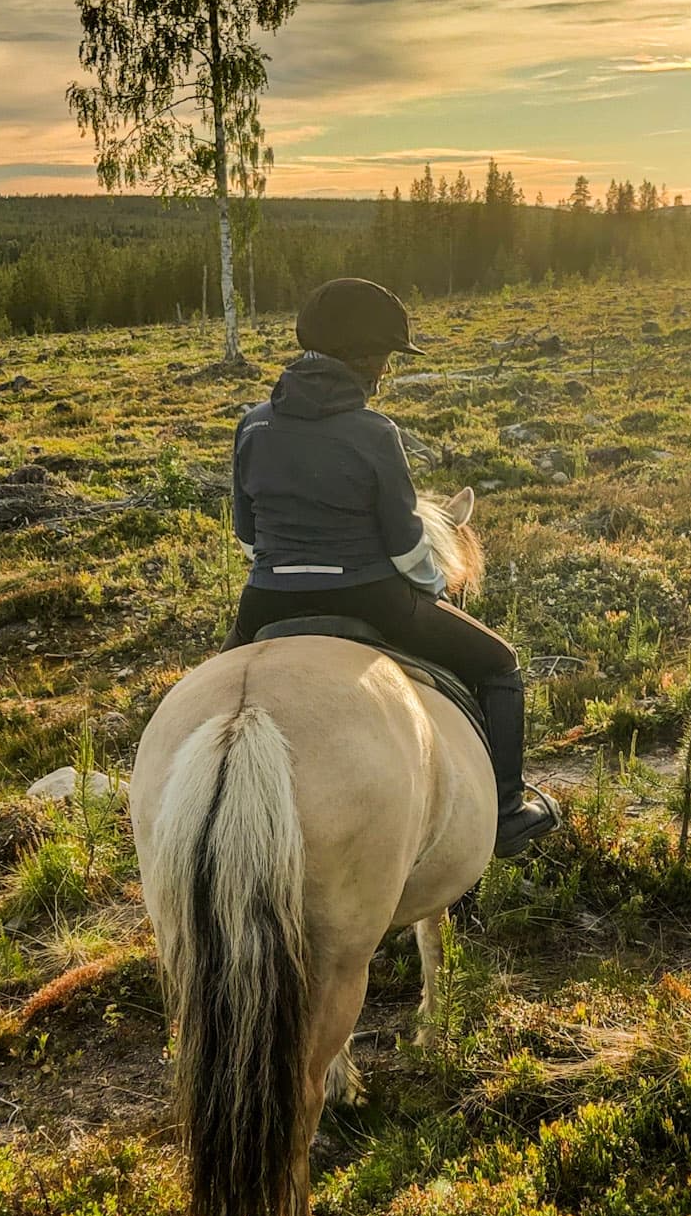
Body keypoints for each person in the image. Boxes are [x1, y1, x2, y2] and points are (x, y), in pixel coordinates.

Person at [225, 276, 560, 858]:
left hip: (266, 600)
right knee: (500, 664)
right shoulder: (374, 432)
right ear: (365, 359)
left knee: (217, 697)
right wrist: (431, 590)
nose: (384, 371)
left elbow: (246, 533)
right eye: (384, 357)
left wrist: (284, 562)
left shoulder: (253, 425)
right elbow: (406, 542)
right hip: (369, 596)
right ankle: (506, 810)